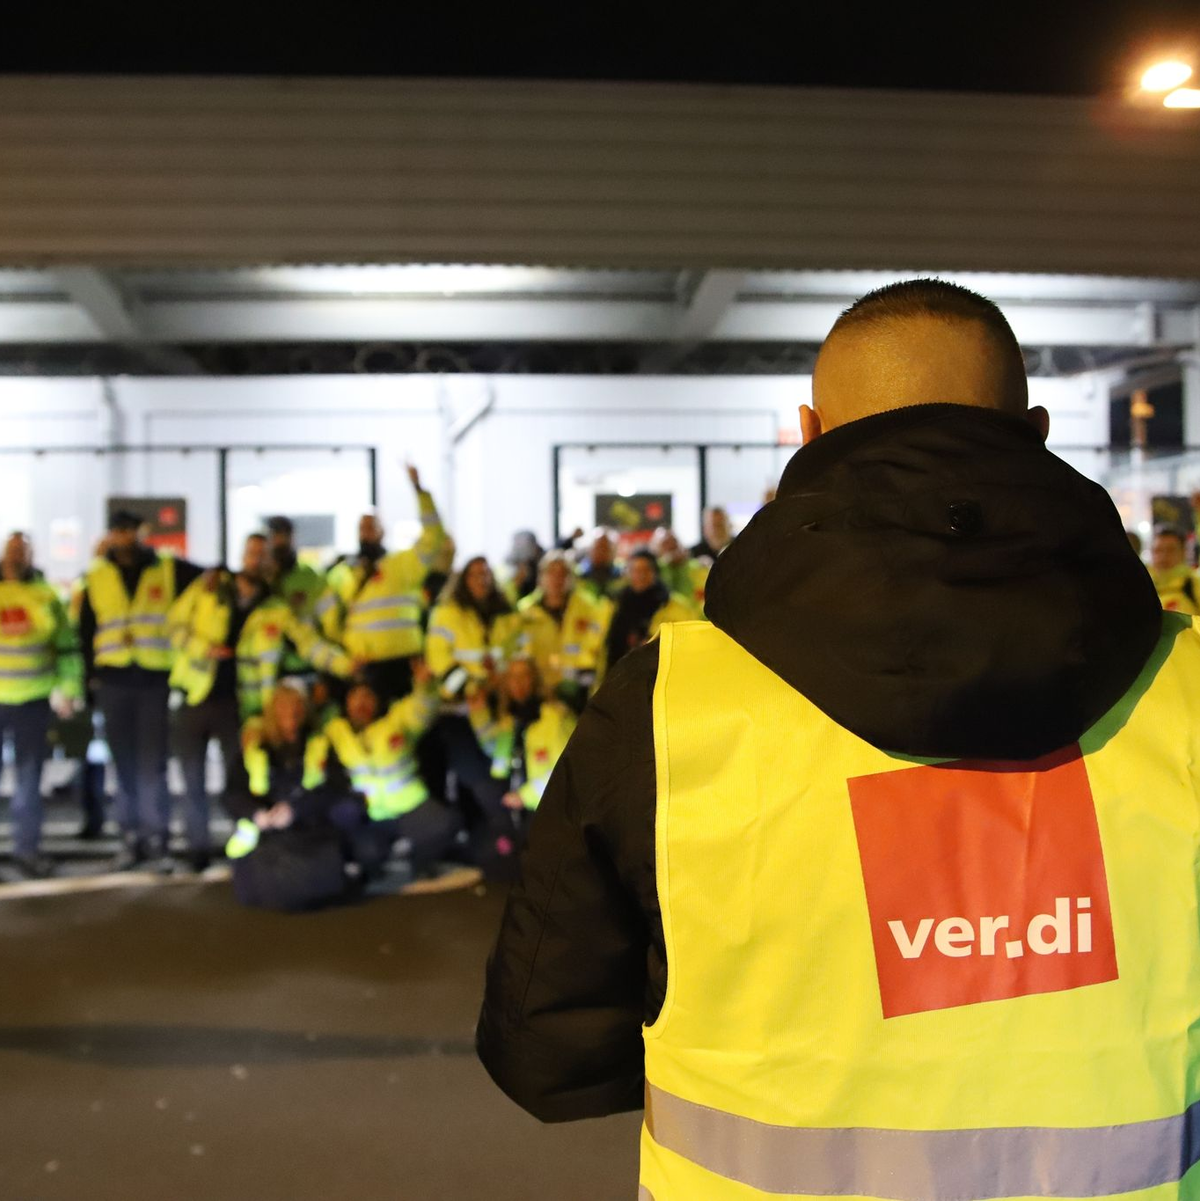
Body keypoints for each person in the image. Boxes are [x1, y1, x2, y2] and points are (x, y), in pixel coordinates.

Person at [478, 279, 1193, 1197]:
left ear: (810, 434)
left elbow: (551, 1049)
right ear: (1038, 428)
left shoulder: (670, 708)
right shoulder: (1188, 694)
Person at [168, 533, 354, 871]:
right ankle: (197, 849)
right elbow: (174, 625)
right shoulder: (209, 588)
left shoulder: (277, 609)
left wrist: (345, 665)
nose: (257, 560)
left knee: (238, 778)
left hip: (242, 707)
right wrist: (203, 649)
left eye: (264, 555)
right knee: (191, 777)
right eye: (252, 553)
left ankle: (246, 841)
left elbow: (310, 644)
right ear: (242, 554)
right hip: (196, 694)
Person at [77, 509, 202, 871]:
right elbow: (87, 630)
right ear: (111, 535)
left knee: (153, 765)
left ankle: (157, 840)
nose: (124, 537)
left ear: (140, 532)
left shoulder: (166, 567)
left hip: (152, 678)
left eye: (130, 530)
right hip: (114, 678)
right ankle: (130, 838)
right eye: (118, 531)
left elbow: (205, 582)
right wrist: (90, 679)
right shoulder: (97, 575)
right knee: (124, 765)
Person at [324, 665, 471, 884]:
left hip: (409, 806)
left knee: (447, 824)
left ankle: (417, 862)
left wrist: (424, 686)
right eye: (355, 697)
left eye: (367, 696)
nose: (361, 703)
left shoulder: (397, 721)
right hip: (370, 815)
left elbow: (424, 708)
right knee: (367, 854)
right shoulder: (334, 730)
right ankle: (381, 863)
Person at [318, 465, 447, 703]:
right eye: (362, 527)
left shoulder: (401, 565)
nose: (366, 532)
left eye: (372, 526)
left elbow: (433, 538)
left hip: (404, 664)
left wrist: (420, 493)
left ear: (382, 531)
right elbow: (330, 622)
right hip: (363, 666)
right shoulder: (341, 572)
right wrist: (345, 655)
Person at [226, 683, 357, 911]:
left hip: (310, 826)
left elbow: (336, 787)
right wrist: (256, 814)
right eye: (284, 706)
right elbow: (232, 794)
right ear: (272, 712)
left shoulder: (319, 744)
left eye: (297, 705)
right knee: (258, 895)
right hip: (267, 831)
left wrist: (296, 810)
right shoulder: (255, 747)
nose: (291, 713)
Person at [0, 533, 82, 878]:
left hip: (33, 698)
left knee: (30, 780)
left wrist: (69, 689)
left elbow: (66, 647)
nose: (17, 554)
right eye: (13, 548)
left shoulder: (46, 595)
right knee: (29, 778)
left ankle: (27, 851)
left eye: (23, 550)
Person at [469, 657, 576, 834]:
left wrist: (524, 796)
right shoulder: (510, 719)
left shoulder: (555, 717)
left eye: (524, 675)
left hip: (549, 810)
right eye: (512, 676)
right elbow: (496, 756)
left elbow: (568, 771)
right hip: (517, 805)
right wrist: (479, 714)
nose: (517, 682)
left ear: (535, 679)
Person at [515, 550, 610, 707]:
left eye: (563, 573)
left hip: (581, 695)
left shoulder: (590, 608)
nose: (557, 579)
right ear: (541, 577)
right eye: (551, 572)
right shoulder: (525, 613)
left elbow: (598, 651)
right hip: (537, 696)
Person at [425, 557, 522, 696]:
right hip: (461, 699)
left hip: (503, 693)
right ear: (463, 579)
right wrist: (470, 687)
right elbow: (438, 657)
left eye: (485, 573)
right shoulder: (445, 614)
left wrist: (505, 680)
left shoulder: (507, 614)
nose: (480, 580)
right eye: (474, 575)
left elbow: (518, 652)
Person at [602, 549, 695, 673]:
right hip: (617, 674)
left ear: (655, 572)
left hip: (658, 675)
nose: (640, 575)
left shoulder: (676, 607)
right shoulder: (615, 603)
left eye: (646, 570)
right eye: (635, 570)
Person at [265, 515, 328, 675]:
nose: (280, 542)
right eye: (275, 537)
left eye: (284, 536)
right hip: (267, 663)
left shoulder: (311, 576)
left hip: (305, 660)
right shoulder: (261, 578)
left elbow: (328, 621)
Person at [649, 527, 709, 618]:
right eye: (665, 543)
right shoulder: (653, 572)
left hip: (695, 623)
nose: (670, 546)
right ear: (655, 549)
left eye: (674, 542)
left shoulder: (696, 567)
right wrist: (666, 563)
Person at [1147, 526, 1199, 614]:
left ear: (1183, 552)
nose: (1163, 556)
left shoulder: (1194, 585)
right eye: (1158, 550)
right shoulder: (1142, 588)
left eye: (1170, 550)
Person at [574, 528, 622, 600]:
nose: (601, 552)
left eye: (605, 548)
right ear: (590, 549)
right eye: (598, 547)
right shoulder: (579, 573)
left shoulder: (620, 574)